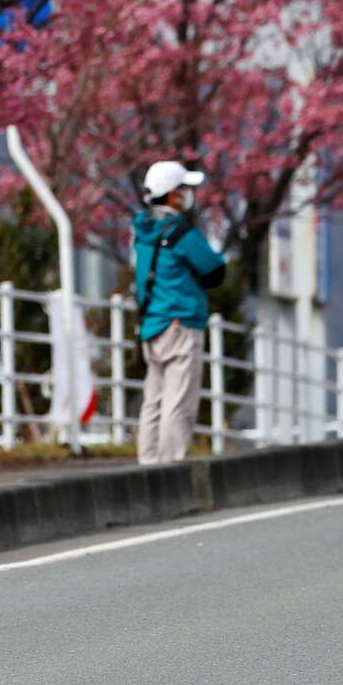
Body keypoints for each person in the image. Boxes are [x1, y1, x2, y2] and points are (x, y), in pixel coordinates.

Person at [131, 161, 227, 464]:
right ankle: (170, 467)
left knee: (154, 400)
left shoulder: (143, 230)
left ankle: (148, 462)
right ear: (173, 195)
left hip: (153, 323)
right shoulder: (180, 232)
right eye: (185, 188)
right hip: (181, 321)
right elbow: (214, 269)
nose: (189, 194)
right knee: (179, 399)